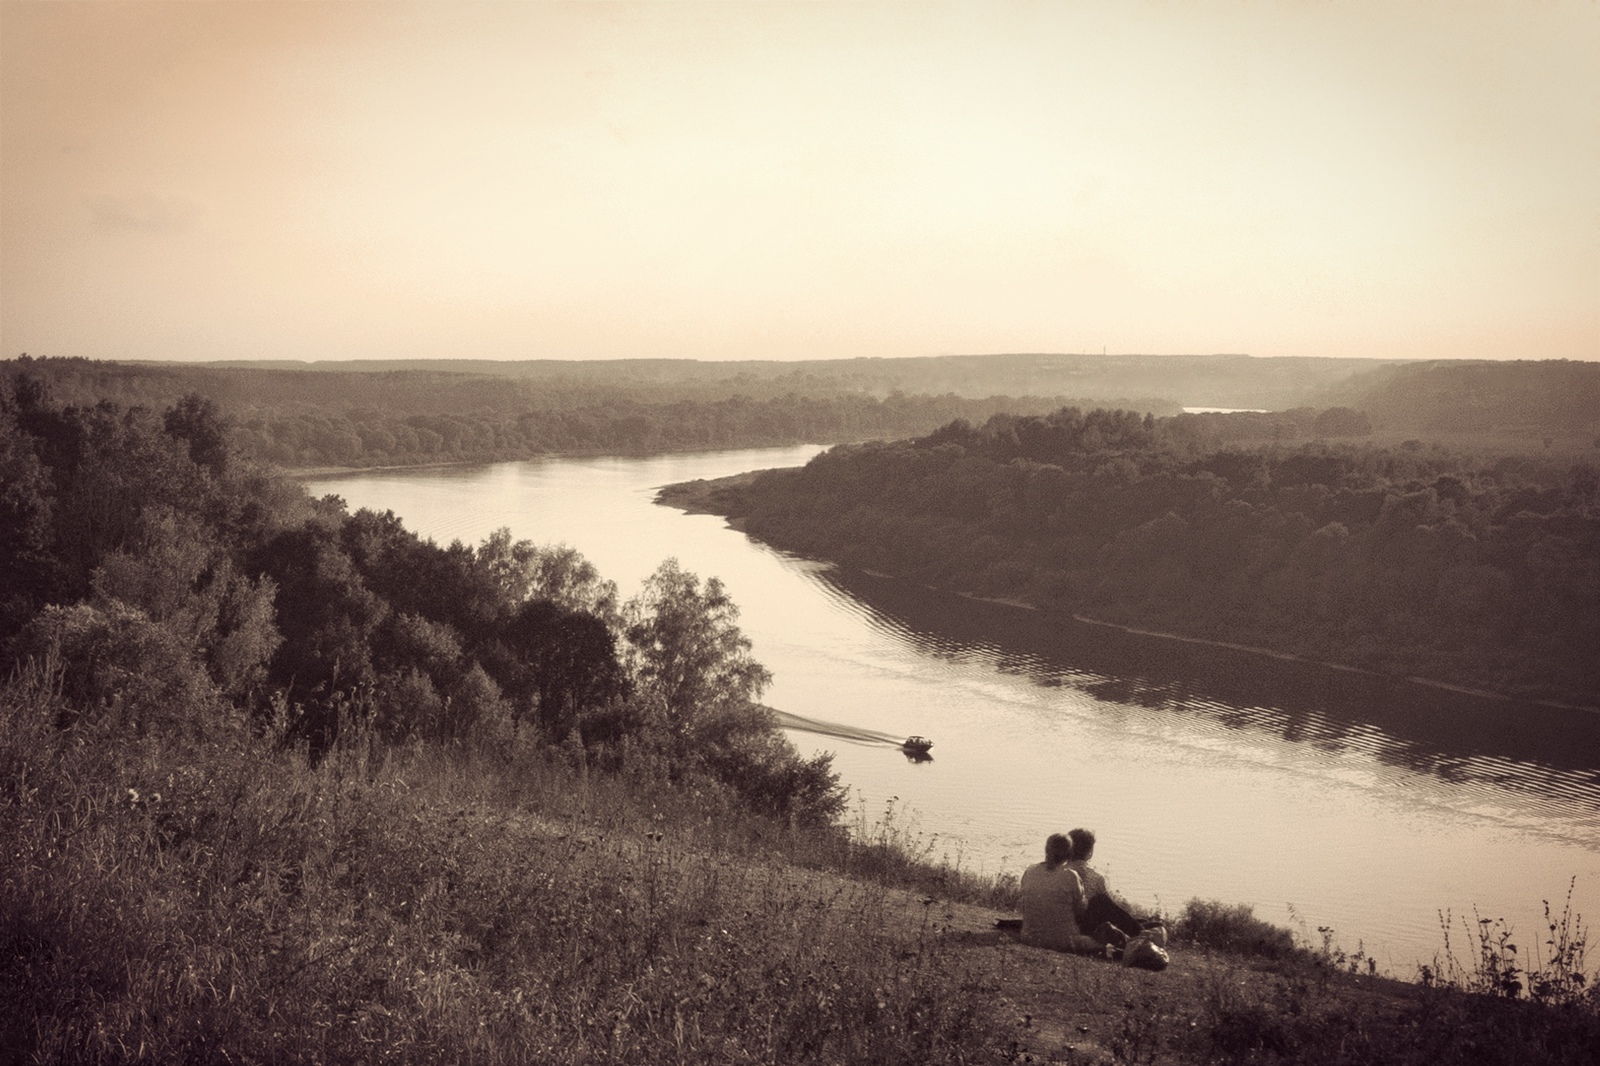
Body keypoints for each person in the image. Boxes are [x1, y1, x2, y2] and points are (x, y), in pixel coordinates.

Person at [1018, 833, 1103, 954]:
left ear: (1046, 849)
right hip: (1063, 940)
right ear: (1069, 853)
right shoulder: (1070, 876)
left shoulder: (1030, 870)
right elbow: (1080, 910)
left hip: (1028, 936)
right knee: (1100, 905)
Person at [1067, 827, 1149, 943]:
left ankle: (1139, 927)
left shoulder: (1059, 873)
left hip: (1063, 921)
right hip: (1084, 927)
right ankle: (1140, 931)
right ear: (1090, 853)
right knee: (1101, 901)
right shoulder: (1096, 878)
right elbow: (1109, 910)